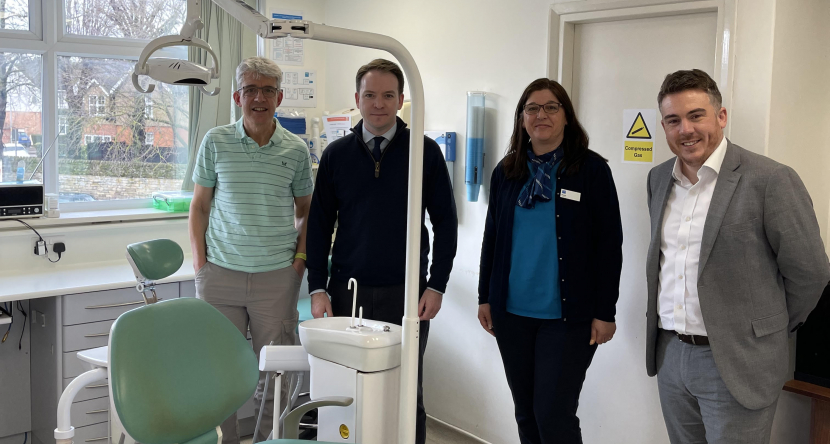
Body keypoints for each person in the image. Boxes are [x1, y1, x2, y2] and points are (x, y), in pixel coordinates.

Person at [646, 69, 830, 444]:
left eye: (696, 115)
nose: (686, 130)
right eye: (673, 120)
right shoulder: (658, 179)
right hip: (671, 355)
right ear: (664, 126)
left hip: (737, 361)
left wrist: (765, 327)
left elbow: (810, 274)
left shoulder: (770, 179)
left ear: (721, 116)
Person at [306, 58, 458, 444]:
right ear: (357, 99)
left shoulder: (424, 152)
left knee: (408, 391)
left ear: (401, 100)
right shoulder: (336, 155)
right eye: (370, 95)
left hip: (405, 296)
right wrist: (317, 287)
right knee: (346, 389)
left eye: (388, 95)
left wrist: (436, 285)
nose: (379, 104)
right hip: (346, 293)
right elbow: (320, 225)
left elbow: (446, 223)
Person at [478, 78, 623, 444]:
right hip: (511, 315)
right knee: (526, 413)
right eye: (532, 108)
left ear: (566, 117)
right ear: (522, 118)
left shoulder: (591, 171)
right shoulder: (507, 172)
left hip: (567, 319)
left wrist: (606, 310)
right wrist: (485, 296)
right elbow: (492, 238)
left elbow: (610, 245)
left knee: (553, 414)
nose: (541, 115)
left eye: (551, 107)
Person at [189, 56, 313, 444]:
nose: (258, 97)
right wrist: (200, 264)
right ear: (237, 96)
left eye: (267, 90)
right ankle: (224, 439)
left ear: (279, 97)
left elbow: (306, 212)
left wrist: (298, 264)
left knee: (276, 373)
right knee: (219, 370)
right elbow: (200, 206)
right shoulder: (216, 141)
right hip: (219, 275)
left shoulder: (295, 150)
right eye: (250, 90)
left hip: (276, 278)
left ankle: (265, 441)